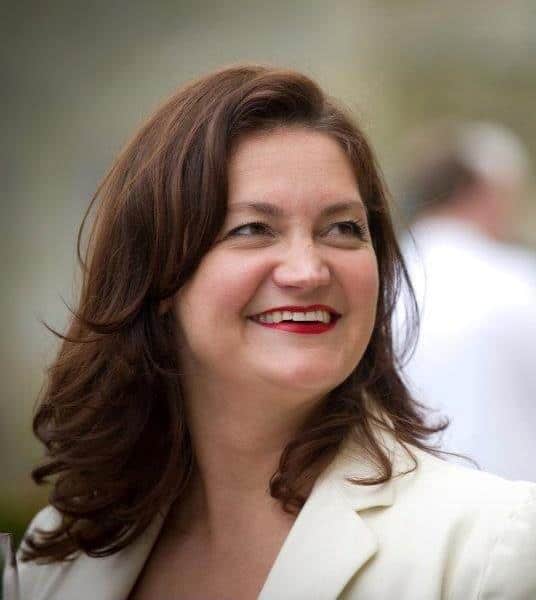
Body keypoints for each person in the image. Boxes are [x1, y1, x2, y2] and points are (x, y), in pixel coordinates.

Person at [16, 66, 536, 599]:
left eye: (342, 228)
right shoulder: (62, 553)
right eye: (253, 229)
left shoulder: (490, 549)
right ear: (159, 273)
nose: (308, 270)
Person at [396, 121, 536, 481]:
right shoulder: (518, 280)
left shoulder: (384, 281)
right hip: (513, 499)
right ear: (483, 192)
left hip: (405, 498)